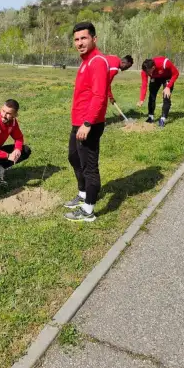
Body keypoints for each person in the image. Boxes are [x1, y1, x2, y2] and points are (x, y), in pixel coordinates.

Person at [64, 22, 109, 223]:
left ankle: (88, 210)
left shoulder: (97, 61)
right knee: (74, 158)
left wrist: (88, 123)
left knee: (90, 167)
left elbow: (100, 96)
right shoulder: (85, 62)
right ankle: (83, 195)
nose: (80, 43)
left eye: (84, 38)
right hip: (79, 122)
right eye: (76, 39)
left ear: (94, 39)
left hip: (88, 125)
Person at [138, 56, 180, 127]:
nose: (147, 74)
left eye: (148, 72)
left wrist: (168, 87)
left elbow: (176, 73)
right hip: (156, 78)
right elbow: (144, 85)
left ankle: (163, 119)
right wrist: (141, 99)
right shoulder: (145, 71)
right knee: (152, 95)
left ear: (153, 68)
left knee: (166, 96)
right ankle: (150, 117)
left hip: (167, 76)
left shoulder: (165, 63)